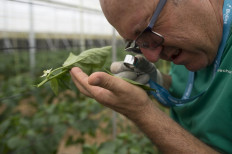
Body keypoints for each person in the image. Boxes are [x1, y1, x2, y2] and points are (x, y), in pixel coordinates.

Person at [70, 0, 232, 153]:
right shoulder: (188, 40)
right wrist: (158, 81)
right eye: (138, 44)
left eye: (147, 31)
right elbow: (187, 89)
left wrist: (142, 112)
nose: (152, 57)